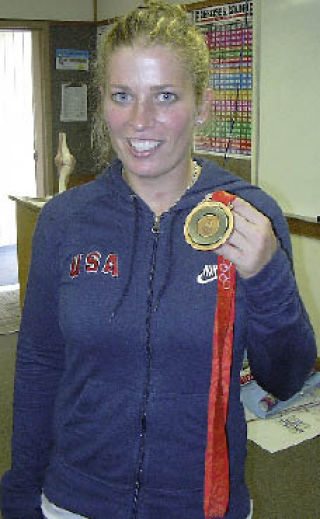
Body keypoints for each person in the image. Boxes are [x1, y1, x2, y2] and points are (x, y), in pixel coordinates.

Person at [0, 2, 317, 519]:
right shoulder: (64, 220)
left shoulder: (247, 215)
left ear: (203, 105)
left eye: (165, 96)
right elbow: (39, 366)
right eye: (123, 96)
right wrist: (19, 494)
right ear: (104, 103)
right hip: (74, 500)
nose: (140, 121)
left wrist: (268, 276)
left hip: (202, 504)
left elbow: (285, 378)